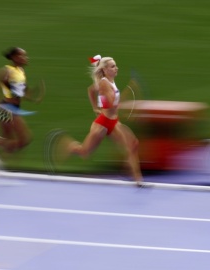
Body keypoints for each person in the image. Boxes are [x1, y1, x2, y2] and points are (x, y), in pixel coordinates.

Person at [45, 55, 144, 186]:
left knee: (133, 144)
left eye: (116, 65)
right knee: (85, 153)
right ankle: (70, 146)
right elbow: (109, 104)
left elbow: (91, 91)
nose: (116, 68)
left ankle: (138, 179)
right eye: (113, 66)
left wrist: (95, 107)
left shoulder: (108, 81)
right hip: (103, 124)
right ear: (105, 69)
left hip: (114, 123)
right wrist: (129, 91)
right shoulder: (104, 84)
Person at [0, 47, 44, 169]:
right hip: (7, 108)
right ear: (14, 57)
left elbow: (20, 93)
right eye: (23, 56)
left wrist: (33, 99)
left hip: (12, 108)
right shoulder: (7, 71)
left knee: (9, 145)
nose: (26, 58)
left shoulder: (21, 72)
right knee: (24, 140)